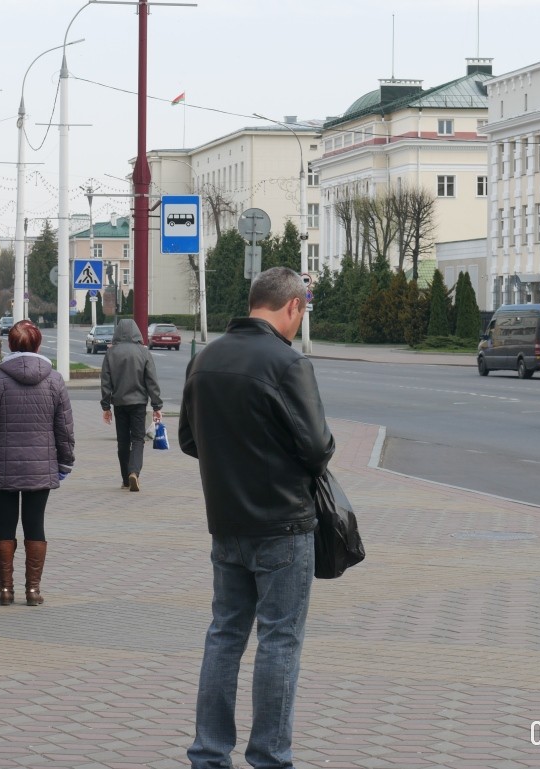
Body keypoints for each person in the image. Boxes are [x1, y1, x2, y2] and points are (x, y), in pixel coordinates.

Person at [179, 267, 335, 769]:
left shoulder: (204, 359)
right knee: (279, 642)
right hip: (283, 525)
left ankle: (208, 754)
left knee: (224, 636)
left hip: (225, 522)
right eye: (302, 312)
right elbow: (316, 448)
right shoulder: (288, 363)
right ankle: (269, 756)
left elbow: (188, 440)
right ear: (291, 307)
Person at [0, 320, 75, 606]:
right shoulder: (54, 380)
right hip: (41, 467)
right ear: (38, 345)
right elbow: (64, 428)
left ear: (11, 345)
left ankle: (5, 590)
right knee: (34, 524)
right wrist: (65, 463)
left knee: (5, 523)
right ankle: (33, 590)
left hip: (1, 468)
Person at [99, 318, 163, 492]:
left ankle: (125, 480)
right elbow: (152, 381)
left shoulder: (111, 353)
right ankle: (134, 472)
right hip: (139, 404)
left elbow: (105, 382)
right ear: (136, 332)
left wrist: (106, 406)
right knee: (137, 440)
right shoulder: (143, 353)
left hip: (119, 404)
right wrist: (157, 406)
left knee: (122, 441)